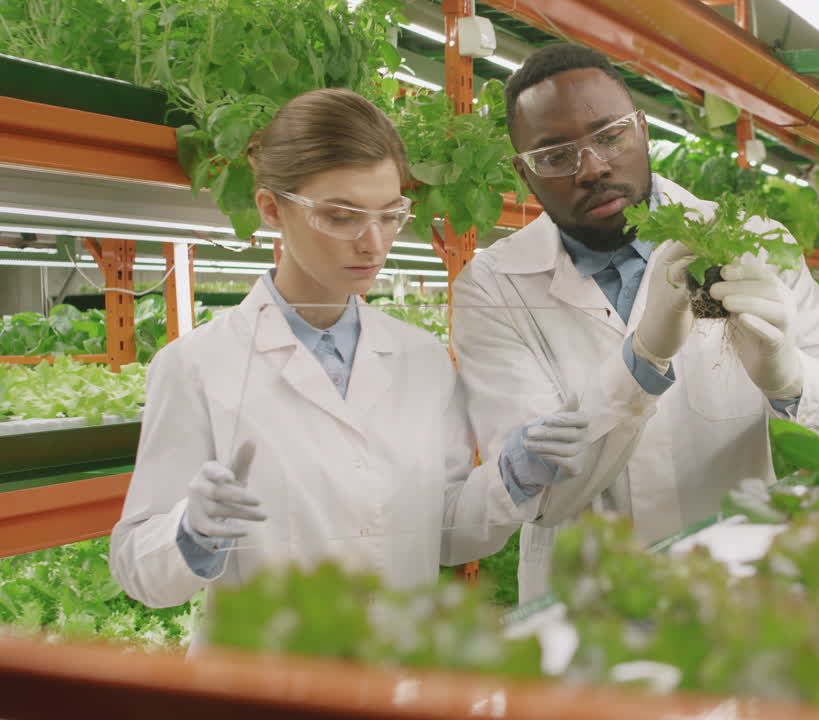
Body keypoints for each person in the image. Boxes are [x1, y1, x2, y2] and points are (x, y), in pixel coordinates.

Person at [451, 44, 819, 603]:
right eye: (555, 155)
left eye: (609, 136)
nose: (593, 168)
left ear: (643, 129)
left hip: (742, 595)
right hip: (591, 611)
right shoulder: (492, 287)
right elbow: (543, 497)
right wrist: (640, 364)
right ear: (523, 172)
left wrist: (790, 380)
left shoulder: (753, 242)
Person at [110, 88, 531, 645]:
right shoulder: (196, 366)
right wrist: (191, 533)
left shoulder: (423, 361)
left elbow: (448, 532)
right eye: (341, 216)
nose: (373, 243)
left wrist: (516, 477)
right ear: (270, 208)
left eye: (389, 215)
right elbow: (140, 568)